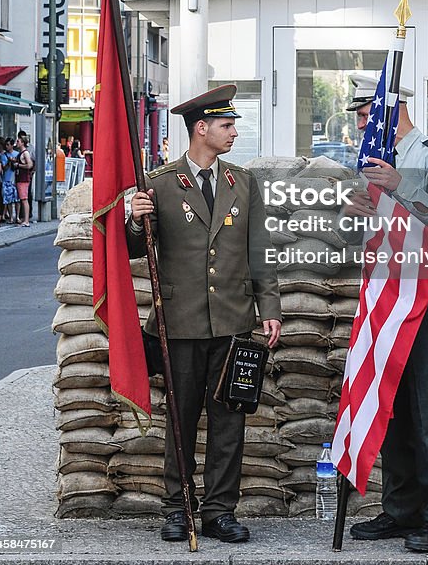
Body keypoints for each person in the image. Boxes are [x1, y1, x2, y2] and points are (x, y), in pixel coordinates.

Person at [127, 85, 281, 545]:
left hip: (233, 322)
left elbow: (259, 252)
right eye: (227, 126)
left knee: (229, 421)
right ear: (201, 128)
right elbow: (137, 251)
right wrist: (135, 219)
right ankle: (178, 508)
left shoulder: (243, 182)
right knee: (180, 418)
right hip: (181, 322)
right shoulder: (158, 183)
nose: (235, 132)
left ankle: (219, 511)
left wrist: (268, 308)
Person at [342, 73, 428, 555]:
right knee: (388, 397)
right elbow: (368, 230)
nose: (360, 127)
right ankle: (400, 508)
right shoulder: (372, 162)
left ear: (391, 113)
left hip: (424, 286)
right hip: (385, 285)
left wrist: (400, 184)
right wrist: (355, 215)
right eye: (358, 118)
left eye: (366, 116)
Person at [15, 136, 33, 226]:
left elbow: (29, 165)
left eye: (18, 141)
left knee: (24, 199)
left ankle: (26, 220)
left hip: (23, 179)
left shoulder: (25, 153)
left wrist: (18, 165)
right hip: (20, 178)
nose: (16, 143)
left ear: (22, 142)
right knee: (22, 199)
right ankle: (24, 219)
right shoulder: (21, 153)